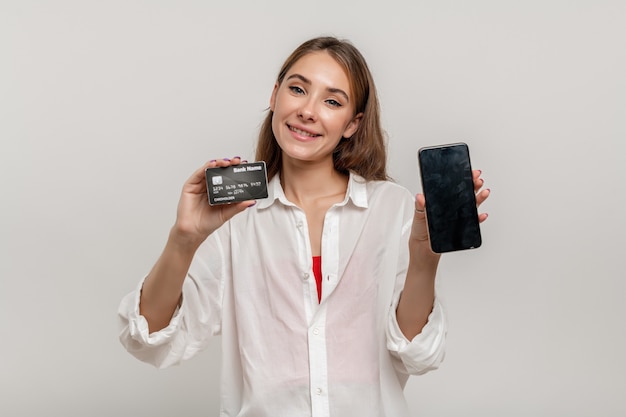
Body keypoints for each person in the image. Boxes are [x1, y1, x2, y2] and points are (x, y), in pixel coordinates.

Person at [118, 36, 490, 417]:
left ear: (353, 124)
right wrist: (184, 240)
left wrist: (425, 259)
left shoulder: (392, 207)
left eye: (332, 101)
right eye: (298, 89)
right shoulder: (235, 217)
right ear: (275, 94)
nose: (308, 111)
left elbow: (417, 353)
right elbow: (148, 340)